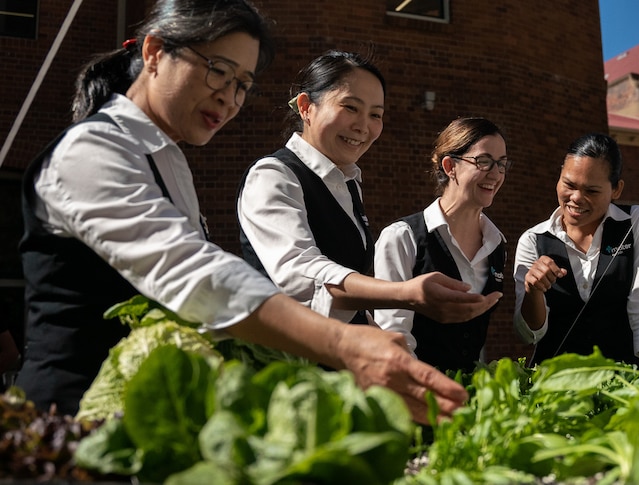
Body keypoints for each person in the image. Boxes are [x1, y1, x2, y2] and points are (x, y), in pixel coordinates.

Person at [17, 0, 467, 424]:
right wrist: (347, 342)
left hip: (144, 411)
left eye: (242, 85)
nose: (230, 99)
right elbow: (196, 275)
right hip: (71, 412)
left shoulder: (168, 158)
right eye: (218, 71)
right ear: (154, 52)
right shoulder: (92, 149)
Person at [237, 52, 501, 328]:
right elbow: (302, 275)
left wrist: (389, 345)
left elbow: (346, 310)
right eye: (350, 107)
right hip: (286, 364)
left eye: (375, 114)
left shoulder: (346, 183)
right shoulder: (272, 175)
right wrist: (405, 293)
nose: (363, 126)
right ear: (305, 107)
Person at [514, 133, 639, 366]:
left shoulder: (636, 223)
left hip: (624, 382)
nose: (576, 198)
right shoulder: (533, 240)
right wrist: (533, 291)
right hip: (555, 387)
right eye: (569, 185)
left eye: (592, 191)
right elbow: (529, 334)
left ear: (616, 190)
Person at [374, 117, 509, 374]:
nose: (495, 173)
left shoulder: (496, 244)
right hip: (415, 393)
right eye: (483, 161)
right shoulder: (402, 237)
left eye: (501, 164)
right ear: (450, 166)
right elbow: (393, 334)